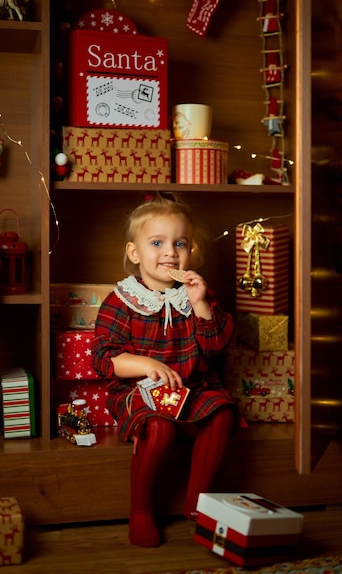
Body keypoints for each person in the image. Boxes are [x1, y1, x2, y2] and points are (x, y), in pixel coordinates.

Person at [92, 194, 240, 547]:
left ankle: (198, 501)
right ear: (134, 253)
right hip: (138, 391)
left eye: (180, 243)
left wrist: (201, 304)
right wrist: (146, 364)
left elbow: (217, 346)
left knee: (223, 413)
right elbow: (102, 358)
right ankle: (141, 512)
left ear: (192, 251)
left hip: (194, 385)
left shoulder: (196, 294)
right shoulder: (121, 300)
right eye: (157, 243)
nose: (170, 252)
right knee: (159, 429)